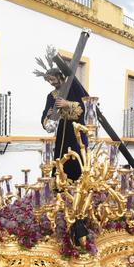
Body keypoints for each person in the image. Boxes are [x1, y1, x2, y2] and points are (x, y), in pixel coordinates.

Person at [37, 46, 88, 181]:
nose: (51, 83)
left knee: (77, 158)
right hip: (62, 133)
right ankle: (60, 185)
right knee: (60, 158)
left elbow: (85, 106)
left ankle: (79, 185)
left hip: (77, 131)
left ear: (60, 76)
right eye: (49, 81)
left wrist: (68, 104)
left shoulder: (73, 88)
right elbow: (44, 116)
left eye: (53, 79)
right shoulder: (51, 96)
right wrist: (48, 115)